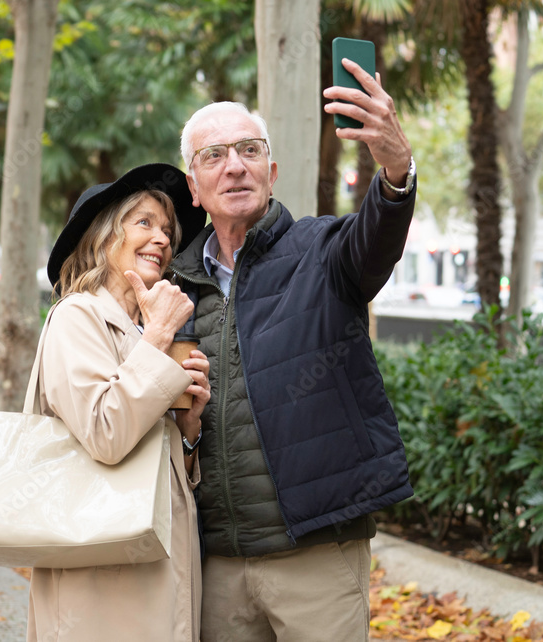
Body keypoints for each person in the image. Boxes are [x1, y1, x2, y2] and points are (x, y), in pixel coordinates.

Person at [167, 59, 417, 641]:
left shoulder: (323, 250)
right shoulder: (173, 290)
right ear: (193, 188)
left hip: (316, 553)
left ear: (271, 172)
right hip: (215, 561)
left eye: (250, 150)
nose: (235, 165)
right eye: (214, 155)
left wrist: (396, 168)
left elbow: (377, 235)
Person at [28, 163, 211, 642]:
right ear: (104, 236)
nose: (162, 239)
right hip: (101, 578)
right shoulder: (77, 317)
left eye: (167, 230)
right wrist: (158, 336)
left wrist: (189, 430)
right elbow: (106, 434)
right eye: (144, 222)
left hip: (158, 563)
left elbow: (155, 457)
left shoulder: (142, 331)